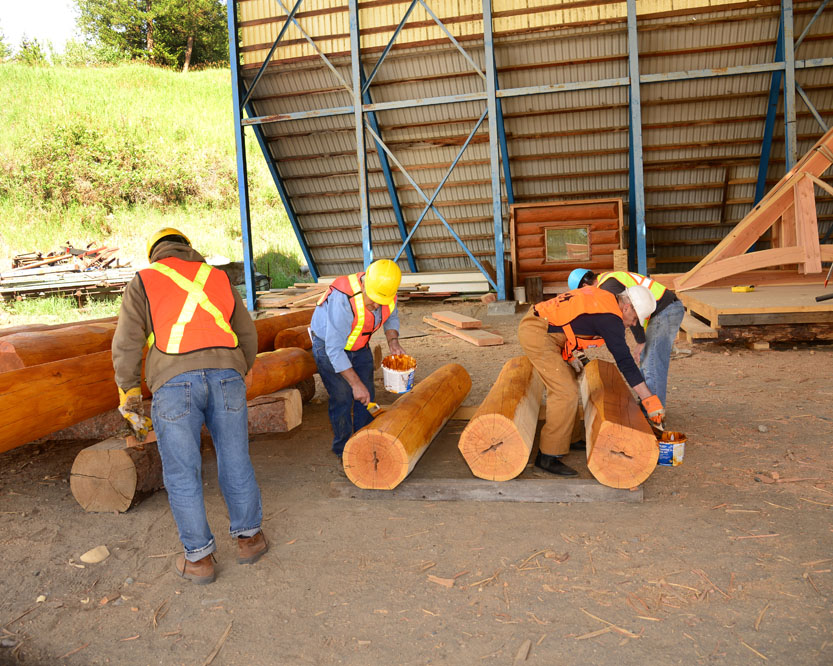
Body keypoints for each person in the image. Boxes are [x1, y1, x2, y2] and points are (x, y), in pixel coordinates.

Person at [112, 228, 266, 585]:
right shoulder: (217, 277)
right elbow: (247, 333)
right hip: (227, 375)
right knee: (235, 458)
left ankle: (199, 559)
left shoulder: (144, 280)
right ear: (188, 249)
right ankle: (250, 540)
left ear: (155, 252)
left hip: (173, 382)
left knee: (182, 471)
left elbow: (127, 342)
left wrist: (129, 392)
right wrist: (239, 369)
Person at [518, 284, 664, 477]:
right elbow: (625, 362)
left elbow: (574, 319)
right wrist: (649, 400)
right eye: (635, 318)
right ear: (627, 307)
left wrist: (572, 354)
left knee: (570, 382)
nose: (633, 324)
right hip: (538, 332)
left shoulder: (606, 299)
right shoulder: (610, 318)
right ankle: (548, 456)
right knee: (564, 391)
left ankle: (571, 438)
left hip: (546, 327)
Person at [310, 259, 406, 457]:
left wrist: (393, 342)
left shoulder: (387, 292)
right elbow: (334, 349)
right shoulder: (344, 298)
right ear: (364, 285)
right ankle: (344, 450)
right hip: (328, 346)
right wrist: (355, 383)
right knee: (343, 396)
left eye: (380, 301)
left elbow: (391, 316)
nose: (376, 305)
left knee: (367, 394)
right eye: (373, 299)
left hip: (359, 346)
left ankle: (364, 443)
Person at [568, 268, 685, 406]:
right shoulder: (607, 279)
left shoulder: (607, 287)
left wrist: (640, 341)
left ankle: (654, 411)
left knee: (652, 361)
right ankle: (648, 404)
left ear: (584, 286)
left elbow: (630, 311)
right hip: (664, 308)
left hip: (665, 309)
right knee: (648, 359)